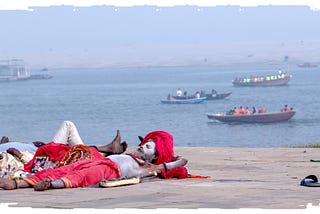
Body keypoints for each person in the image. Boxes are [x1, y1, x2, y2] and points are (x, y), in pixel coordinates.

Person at [0, 127, 188, 191]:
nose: (141, 146)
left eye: (147, 147)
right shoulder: (131, 156)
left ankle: (51, 185)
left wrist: (177, 162)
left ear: (154, 156)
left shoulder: (145, 168)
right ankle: (17, 184)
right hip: (98, 161)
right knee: (60, 170)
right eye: (144, 143)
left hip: (109, 170)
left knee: (79, 177)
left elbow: (167, 166)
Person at [0, 121, 127, 179]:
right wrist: (19, 154)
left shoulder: (5, 148)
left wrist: (29, 144)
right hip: (42, 156)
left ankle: (102, 151)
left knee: (73, 147)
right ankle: (103, 150)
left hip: (40, 150)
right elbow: (24, 168)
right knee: (68, 126)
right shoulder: (6, 160)